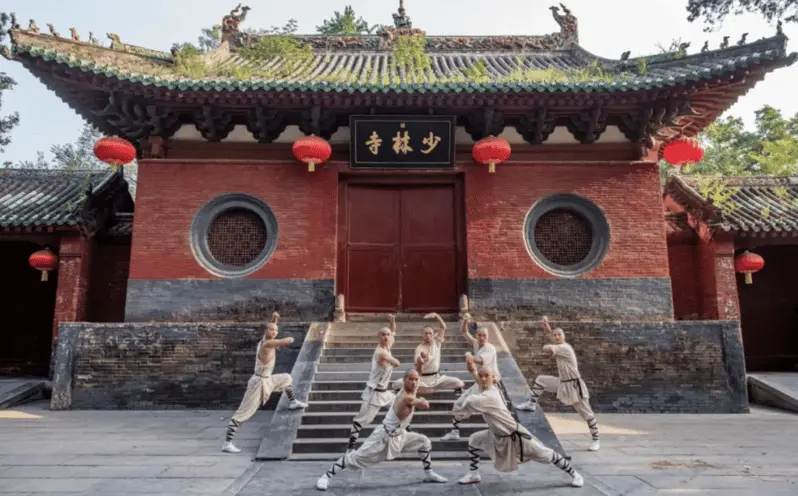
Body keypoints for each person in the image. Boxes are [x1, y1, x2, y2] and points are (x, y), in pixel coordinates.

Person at [316, 369, 448, 491]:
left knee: (424, 441)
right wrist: (423, 398)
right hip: (383, 436)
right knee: (357, 457)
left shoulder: (411, 391)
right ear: (404, 381)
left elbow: (418, 376)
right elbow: (424, 404)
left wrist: (420, 364)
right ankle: (326, 476)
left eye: (416, 379)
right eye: (410, 379)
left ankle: (429, 473)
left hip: (400, 435)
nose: (414, 382)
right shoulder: (406, 396)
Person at [454, 364, 584, 487]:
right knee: (474, 439)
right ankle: (474, 474)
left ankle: (575, 474)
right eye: (480, 376)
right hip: (496, 435)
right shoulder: (491, 389)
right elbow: (481, 386)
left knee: (546, 454)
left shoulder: (490, 396)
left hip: (515, 436)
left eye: (486, 376)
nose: (482, 379)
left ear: (493, 378)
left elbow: (470, 401)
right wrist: (473, 373)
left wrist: (464, 398)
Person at [222, 312, 307, 453]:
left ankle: (293, 401)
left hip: (268, 379)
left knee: (286, 378)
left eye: (275, 330)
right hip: (258, 382)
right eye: (271, 330)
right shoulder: (267, 344)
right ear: (265, 331)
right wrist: (290, 338)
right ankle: (227, 443)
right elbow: (286, 341)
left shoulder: (266, 338)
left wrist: (274, 320)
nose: (274, 332)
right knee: (244, 412)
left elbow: (272, 329)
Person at [516, 316, 600, 452]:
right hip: (563, 383)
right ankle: (531, 404)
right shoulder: (559, 346)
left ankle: (596, 440)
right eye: (555, 335)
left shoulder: (565, 348)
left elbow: (546, 347)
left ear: (564, 336)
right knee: (541, 379)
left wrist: (547, 339)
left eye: (559, 335)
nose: (556, 337)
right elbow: (553, 342)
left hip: (574, 386)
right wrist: (547, 328)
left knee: (587, 414)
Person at [441, 314, 501, 441]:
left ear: (488, 337)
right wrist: (465, 321)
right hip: (479, 383)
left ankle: (500, 434)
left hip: (491, 384)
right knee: (458, 404)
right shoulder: (475, 343)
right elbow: (464, 331)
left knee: (493, 412)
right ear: (476, 336)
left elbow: (479, 360)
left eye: (485, 335)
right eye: (480, 335)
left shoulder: (490, 348)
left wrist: (469, 356)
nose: (482, 338)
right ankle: (455, 432)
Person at [345, 315, 399, 453]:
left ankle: (398, 437)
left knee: (400, 406)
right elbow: (396, 363)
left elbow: (392, 332)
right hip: (374, 393)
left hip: (385, 393)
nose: (386, 337)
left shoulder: (387, 345)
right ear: (378, 336)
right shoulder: (381, 352)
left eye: (387, 335)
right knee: (361, 421)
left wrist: (392, 321)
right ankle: (350, 448)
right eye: (383, 335)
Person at [391, 312, 465, 395]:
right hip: (421, 379)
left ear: (433, 335)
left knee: (458, 382)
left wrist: (437, 316)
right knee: (397, 384)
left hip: (437, 379)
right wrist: (422, 360)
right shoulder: (419, 348)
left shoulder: (436, 342)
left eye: (430, 333)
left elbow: (443, 327)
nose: (428, 335)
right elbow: (417, 365)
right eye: (426, 333)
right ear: (422, 335)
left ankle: (457, 391)